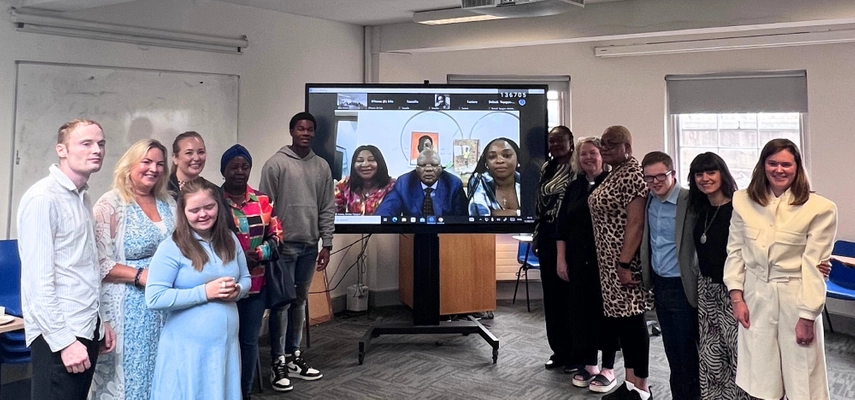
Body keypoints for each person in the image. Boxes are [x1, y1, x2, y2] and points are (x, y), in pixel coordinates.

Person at [724, 139, 838, 400]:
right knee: (762, 377)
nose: (779, 170)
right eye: (772, 163)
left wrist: (807, 316)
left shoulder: (820, 209)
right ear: (763, 165)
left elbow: (814, 267)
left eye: (786, 164)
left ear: (797, 167)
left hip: (795, 296)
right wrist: (736, 297)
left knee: (803, 379)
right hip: (755, 296)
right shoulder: (742, 200)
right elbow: (735, 251)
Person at [17, 119, 116, 400]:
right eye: (86, 143)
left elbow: (83, 268)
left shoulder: (81, 197)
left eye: (101, 143)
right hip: (59, 336)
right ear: (61, 150)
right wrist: (64, 342)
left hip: (84, 328)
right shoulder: (43, 199)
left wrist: (100, 323)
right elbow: (38, 284)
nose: (96, 150)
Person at [146, 179, 250, 400]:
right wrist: (204, 292)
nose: (203, 214)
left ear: (218, 206)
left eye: (209, 207)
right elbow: (154, 298)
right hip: (188, 350)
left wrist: (238, 290)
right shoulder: (171, 248)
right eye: (194, 210)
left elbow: (246, 278)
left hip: (225, 347)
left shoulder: (229, 239)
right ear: (183, 213)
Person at [89, 139, 176, 400]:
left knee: (160, 376)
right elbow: (97, 262)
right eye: (146, 162)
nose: (154, 169)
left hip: (164, 307)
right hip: (127, 309)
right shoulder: (110, 204)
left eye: (159, 164)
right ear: (130, 165)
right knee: (131, 378)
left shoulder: (168, 203)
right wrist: (139, 276)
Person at [259, 111, 332, 392]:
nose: (305, 133)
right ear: (291, 131)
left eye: (310, 129)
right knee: (281, 304)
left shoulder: (322, 167)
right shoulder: (275, 164)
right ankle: (277, 361)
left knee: (300, 302)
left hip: (310, 246)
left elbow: (327, 207)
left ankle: (293, 357)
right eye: (300, 128)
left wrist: (327, 243)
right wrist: (270, 244)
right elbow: (265, 207)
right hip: (283, 248)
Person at [588, 125, 653, 400]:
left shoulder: (633, 175)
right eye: (602, 143)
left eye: (611, 144)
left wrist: (624, 265)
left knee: (634, 323)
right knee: (623, 326)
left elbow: (636, 224)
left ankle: (642, 388)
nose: (604, 149)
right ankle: (629, 384)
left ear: (627, 147)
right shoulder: (616, 173)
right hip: (610, 264)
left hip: (625, 264)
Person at [686, 152, 753, 400]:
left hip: (735, 292)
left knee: (740, 353)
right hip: (707, 290)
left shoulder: (739, 208)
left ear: (722, 174)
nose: (705, 178)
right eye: (699, 174)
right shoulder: (700, 209)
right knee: (711, 355)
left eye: (711, 172)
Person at [219, 144, 284, 398]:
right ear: (223, 170)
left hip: (256, 286)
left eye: (245, 167)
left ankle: (244, 392)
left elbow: (277, 238)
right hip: (222, 286)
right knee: (224, 342)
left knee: (248, 341)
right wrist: (235, 258)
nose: (240, 171)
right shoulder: (213, 201)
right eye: (233, 167)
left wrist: (258, 254)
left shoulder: (263, 201)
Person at [555, 137, 619, 393]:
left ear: (602, 155)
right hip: (577, 262)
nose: (589, 158)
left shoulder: (612, 183)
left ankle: (608, 368)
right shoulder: (574, 187)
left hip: (606, 263)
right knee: (582, 313)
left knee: (607, 315)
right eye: (584, 154)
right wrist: (561, 259)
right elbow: (562, 227)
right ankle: (590, 364)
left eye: (593, 152)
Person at [639, 151, 700, 400]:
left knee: (687, 353)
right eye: (649, 177)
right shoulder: (648, 200)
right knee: (672, 353)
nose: (655, 182)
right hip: (660, 284)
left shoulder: (690, 200)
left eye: (660, 176)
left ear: (673, 174)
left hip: (683, 286)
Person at [532, 125, 575, 370]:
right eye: (552, 141)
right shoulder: (547, 168)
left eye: (560, 140)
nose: (556, 145)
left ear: (571, 142)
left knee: (571, 298)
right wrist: (537, 235)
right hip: (548, 235)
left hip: (571, 238)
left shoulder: (577, 168)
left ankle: (577, 353)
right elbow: (539, 204)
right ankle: (559, 351)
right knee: (552, 297)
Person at [376, 149, 467, 217]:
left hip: (445, 234)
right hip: (412, 233)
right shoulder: (404, 183)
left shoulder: (453, 183)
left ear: (441, 168)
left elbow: (462, 219)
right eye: (423, 165)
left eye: (434, 165)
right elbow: (386, 210)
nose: (428, 169)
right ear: (416, 168)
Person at [335, 145, 396, 215]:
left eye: (371, 160)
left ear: (380, 163)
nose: (365, 164)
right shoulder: (344, 185)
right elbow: (333, 213)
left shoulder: (392, 186)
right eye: (360, 161)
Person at [468, 137, 522, 217]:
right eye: (492, 157)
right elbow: (480, 216)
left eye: (507, 155)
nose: (499, 161)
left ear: (518, 160)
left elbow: (535, 214)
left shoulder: (527, 181)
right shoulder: (479, 181)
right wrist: (519, 213)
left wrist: (514, 213)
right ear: (486, 163)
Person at [167, 131, 207, 197]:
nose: (196, 158)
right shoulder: (162, 190)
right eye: (189, 153)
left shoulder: (214, 191)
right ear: (175, 158)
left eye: (201, 152)